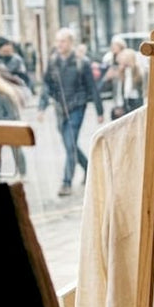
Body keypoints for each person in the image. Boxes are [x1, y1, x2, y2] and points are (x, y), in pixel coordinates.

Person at [38, 28, 104, 197]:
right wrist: (41, 107)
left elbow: (92, 87)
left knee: (70, 144)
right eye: (58, 41)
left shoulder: (82, 62)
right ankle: (90, 168)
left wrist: (99, 110)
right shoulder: (53, 62)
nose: (60, 44)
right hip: (60, 109)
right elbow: (47, 86)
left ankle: (66, 183)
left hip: (77, 108)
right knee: (71, 146)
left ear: (71, 43)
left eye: (63, 41)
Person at [105, 48, 145, 119]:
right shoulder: (120, 71)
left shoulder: (137, 70)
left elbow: (141, 88)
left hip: (136, 101)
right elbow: (118, 91)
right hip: (125, 102)